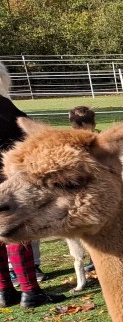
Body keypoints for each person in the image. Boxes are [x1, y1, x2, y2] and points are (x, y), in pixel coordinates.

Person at [0, 93, 65, 308]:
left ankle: (4, 291)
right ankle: (30, 291)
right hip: (6, 179)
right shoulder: (3, 106)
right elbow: (28, 132)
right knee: (17, 229)